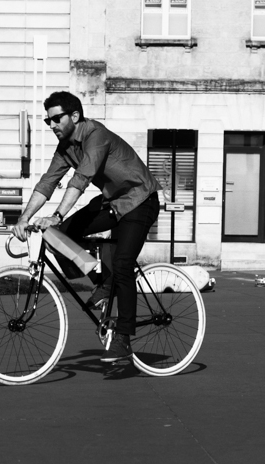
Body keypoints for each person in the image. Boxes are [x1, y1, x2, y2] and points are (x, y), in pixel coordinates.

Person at [13, 90, 162, 363]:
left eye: (56, 119)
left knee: (123, 264)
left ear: (75, 116)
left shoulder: (96, 135)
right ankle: (101, 282)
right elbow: (47, 183)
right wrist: (24, 219)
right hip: (112, 202)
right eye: (48, 122)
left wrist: (56, 214)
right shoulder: (65, 148)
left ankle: (124, 338)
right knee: (58, 236)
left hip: (140, 201)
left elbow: (82, 178)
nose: (52, 125)